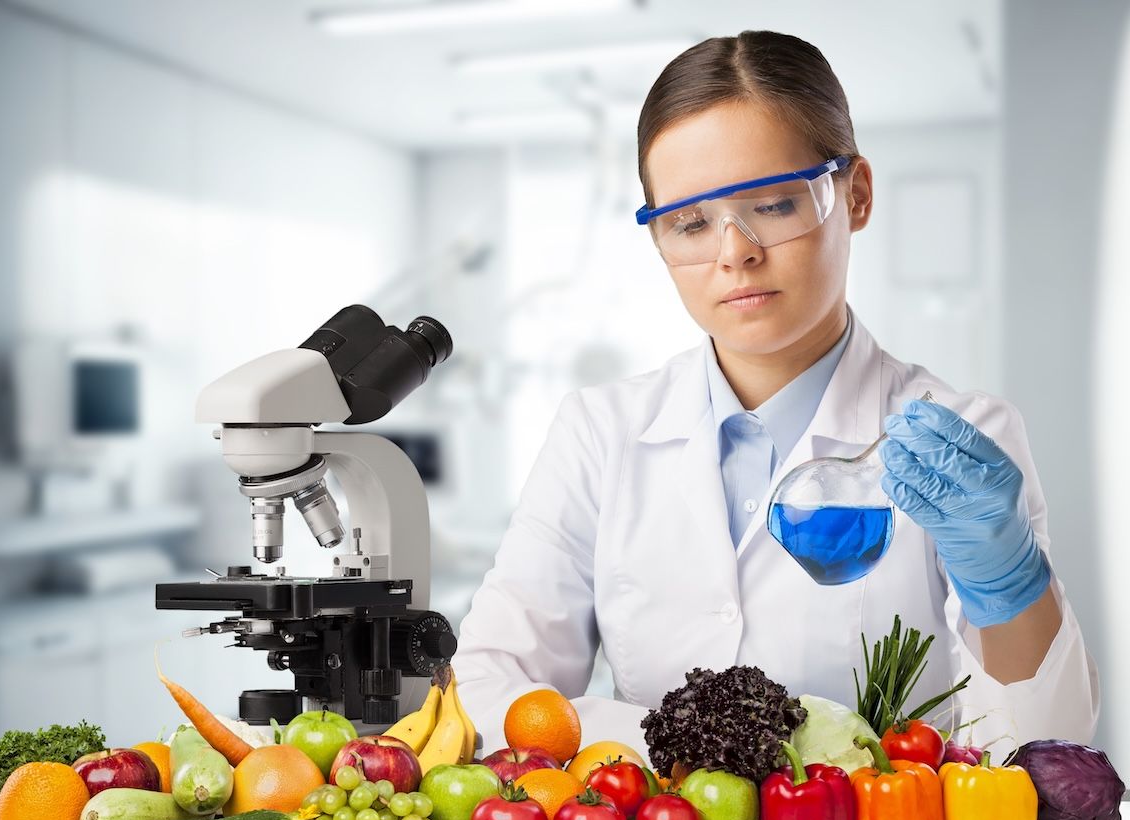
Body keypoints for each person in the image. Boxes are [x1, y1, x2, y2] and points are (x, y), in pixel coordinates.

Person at [452, 31, 1098, 766]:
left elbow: (1047, 754)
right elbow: (487, 688)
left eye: (774, 205)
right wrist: (689, 744)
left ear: (855, 196)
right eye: (691, 222)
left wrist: (1009, 585)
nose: (734, 252)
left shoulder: (962, 439)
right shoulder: (601, 433)